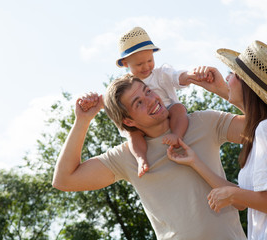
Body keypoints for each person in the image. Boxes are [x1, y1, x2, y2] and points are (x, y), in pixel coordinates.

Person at [52, 72, 247, 239]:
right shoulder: (126, 156)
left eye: (148, 91)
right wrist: (83, 120)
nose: (152, 101)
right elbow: (64, 180)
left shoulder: (204, 122)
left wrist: (221, 88)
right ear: (128, 121)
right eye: (139, 103)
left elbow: (265, 128)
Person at [167, 40, 267, 239]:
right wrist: (194, 161)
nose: (227, 78)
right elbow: (243, 201)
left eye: (231, 74)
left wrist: (234, 195)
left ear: (246, 85)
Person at [80, 26, 212, 177]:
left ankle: (177, 135)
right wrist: (89, 101)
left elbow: (176, 77)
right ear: (125, 63)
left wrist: (190, 76)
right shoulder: (125, 86)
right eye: (139, 64)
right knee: (132, 135)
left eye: (150, 60)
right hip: (141, 124)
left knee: (179, 108)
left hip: (167, 111)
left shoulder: (160, 74)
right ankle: (141, 158)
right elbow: (107, 100)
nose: (146, 66)